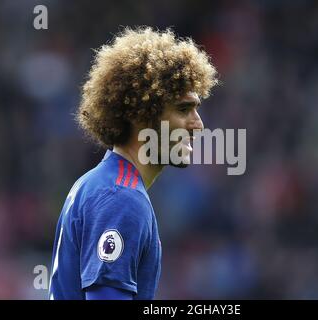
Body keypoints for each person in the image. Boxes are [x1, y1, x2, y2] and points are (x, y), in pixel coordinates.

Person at [49, 27, 218, 300]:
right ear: (142, 114)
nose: (198, 125)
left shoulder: (100, 183)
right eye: (184, 109)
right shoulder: (120, 199)